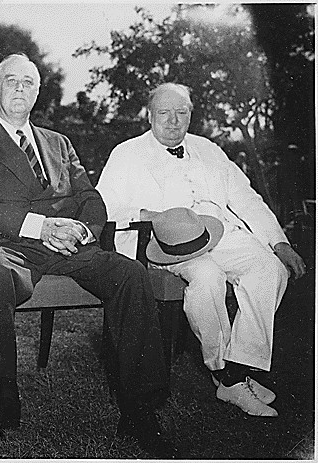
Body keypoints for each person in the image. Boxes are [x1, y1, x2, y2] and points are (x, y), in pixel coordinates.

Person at [0, 53, 179, 458]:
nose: (20, 89)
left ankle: (140, 409)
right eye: (11, 81)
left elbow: (89, 196)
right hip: (14, 247)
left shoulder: (58, 142)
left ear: (38, 93)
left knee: (131, 275)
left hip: (70, 247)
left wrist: (83, 229)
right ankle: (5, 401)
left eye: (28, 83)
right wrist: (41, 226)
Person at [96, 82, 306, 418]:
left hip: (219, 234)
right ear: (150, 116)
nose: (173, 121)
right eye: (164, 113)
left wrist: (279, 242)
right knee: (207, 278)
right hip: (163, 245)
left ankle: (236, 372)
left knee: (270, 268)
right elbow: (103, 208)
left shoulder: (209, 149)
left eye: (181, 113)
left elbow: (246, 198)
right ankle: (227, 374)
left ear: (191, 115)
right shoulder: (126, 154)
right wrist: (148, 216)